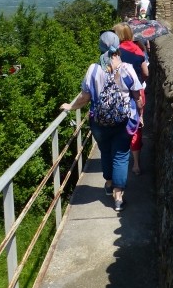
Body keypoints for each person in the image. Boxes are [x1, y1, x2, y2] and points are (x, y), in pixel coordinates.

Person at [60, 31, 143, 212]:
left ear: (100, 47)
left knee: (105, 151)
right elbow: (137, 96)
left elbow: (84, 97)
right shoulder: (127, 69)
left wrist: (70, 107)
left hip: (99, 122)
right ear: (117, 47)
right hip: (124, 121)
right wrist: (140, 113)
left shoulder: (93, 69)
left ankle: (108, 183)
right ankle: (118, 196)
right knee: (121, 155)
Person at [112, 23, 149, 175]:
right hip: (137, 93)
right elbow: (146, 73)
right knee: (136, 127)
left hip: (117, 93)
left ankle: (118, 157)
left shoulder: (113, 52)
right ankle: (136, 165)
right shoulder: (138, 50)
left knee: (117, 125)